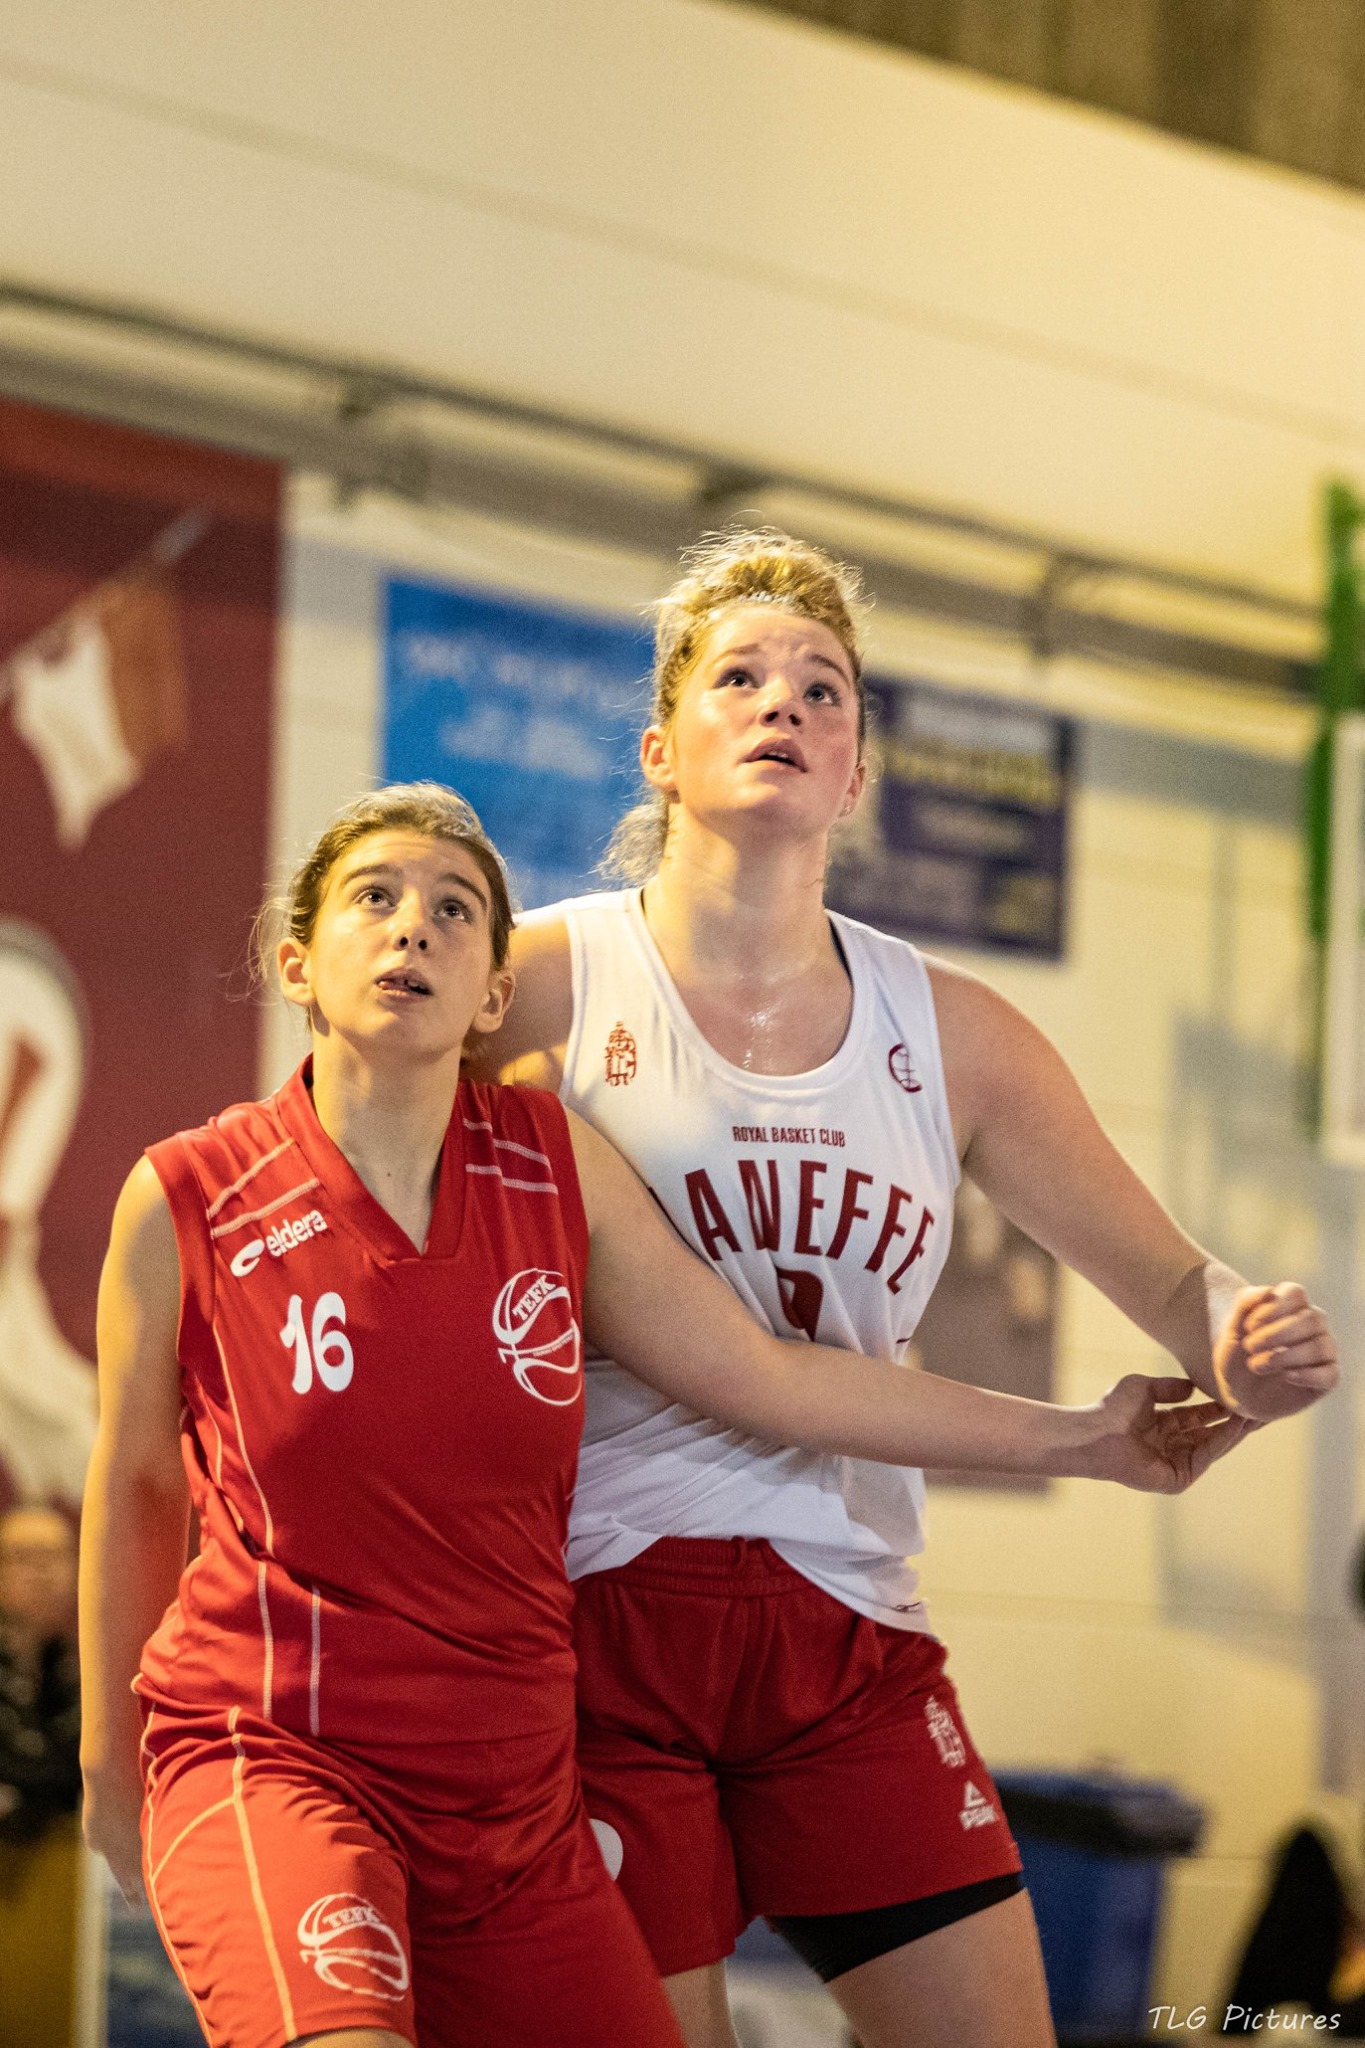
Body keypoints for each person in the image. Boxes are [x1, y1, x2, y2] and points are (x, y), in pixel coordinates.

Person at [77, 783, 1238, 2048]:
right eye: (375, 897)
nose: (414, 926)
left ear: (494, 994)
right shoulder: (190, 1194)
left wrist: (1090, 1438)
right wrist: (108, 1758)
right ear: (298, 962)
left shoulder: (550, 1162)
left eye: (455, 909)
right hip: (282, 1752)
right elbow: (136, 1485)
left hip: (509, 1792)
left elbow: (771, 1374)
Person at [479, 531, 1340, 2048]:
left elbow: (1177, 1283)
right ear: (659, 748)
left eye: (824, 688)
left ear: (858, 770)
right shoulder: (537, 982)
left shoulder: (953, 1030)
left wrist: (1247, 1346)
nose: (784, 704)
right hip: (595, 1607)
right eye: (739, 677)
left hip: (846, 1613)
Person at [0, 1502, 83, 2048]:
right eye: (26, 1558)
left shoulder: (82, 1669)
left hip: (66, 1907)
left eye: (57, 1557)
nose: (44, 1572)